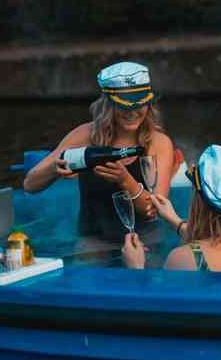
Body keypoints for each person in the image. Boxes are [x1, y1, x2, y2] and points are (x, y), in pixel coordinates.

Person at [23, 62, 176, 251]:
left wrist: (124, 180)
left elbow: (155, 210)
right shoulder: (85, 135)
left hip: (146, 239)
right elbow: (29, 184)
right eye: (124, 105)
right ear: (107, 104)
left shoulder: (158, 143)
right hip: (94, 242)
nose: (132, 112)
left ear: (149, 103)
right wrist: (54, 169)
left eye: (140, 103)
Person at [122, 144, 221, 272]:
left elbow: (157, 298)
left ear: (200, 202)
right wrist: (175, 220)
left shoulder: (185, 259)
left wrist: (136, 268)